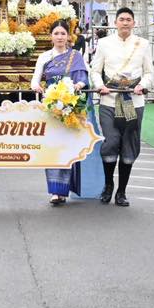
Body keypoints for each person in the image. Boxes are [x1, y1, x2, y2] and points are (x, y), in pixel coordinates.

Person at [90, 7, 154, 206]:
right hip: (109, 101)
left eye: (128, 19)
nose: (125, 23)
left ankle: (122, 191)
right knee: (111, 142)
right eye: (121, 19)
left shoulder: (142, 44)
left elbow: (149, 72)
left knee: (129, 144)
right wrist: (100, 86)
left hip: (133, 103)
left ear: (134, 23)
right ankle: (108, 186)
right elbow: (95, 70)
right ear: (115, 22)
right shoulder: (104, 43)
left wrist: (143, 85)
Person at [32, 20, 90, 205]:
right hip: (50, 108)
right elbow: (35, 80)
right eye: (56, 33)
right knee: (52, 147)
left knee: (67, 147)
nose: (59, 37)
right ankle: (55, 192)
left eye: (63, 33)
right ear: (51, 36)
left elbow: (82, 77)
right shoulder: (44, 57)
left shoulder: (75, 56)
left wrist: (77, 86)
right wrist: (37, 87)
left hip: (71, 107)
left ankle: (65, 190)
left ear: (68, 36)